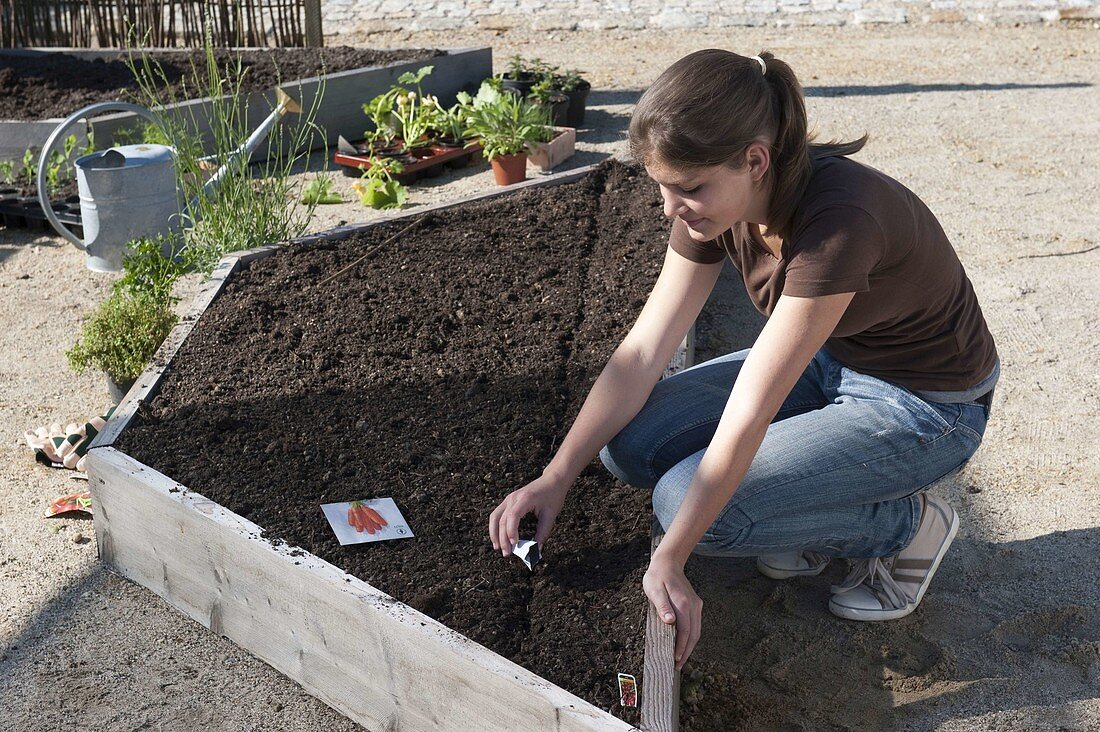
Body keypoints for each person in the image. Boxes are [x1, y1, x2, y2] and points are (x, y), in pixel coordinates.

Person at [488, 49, 998, 670]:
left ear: (755, 160)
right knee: (628, 447)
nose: (670, 208)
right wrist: (557, 474)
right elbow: (645, 348)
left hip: (925, 406)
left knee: (692, 512)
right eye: (663, 187)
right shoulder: (714, 209)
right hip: (832, 360)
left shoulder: (840, 221)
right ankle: (808, 514)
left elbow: (751, 409)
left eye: (689, 189)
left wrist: (670, 555)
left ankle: (904, 526)